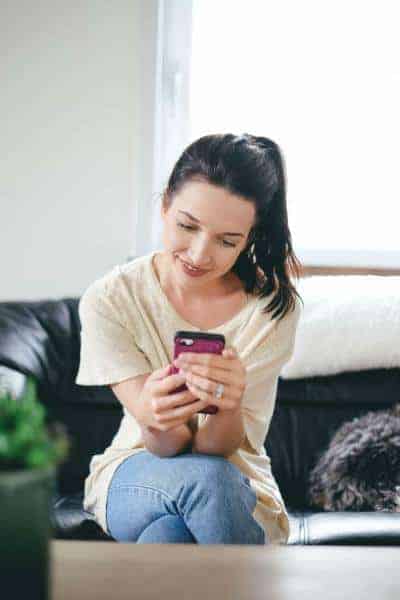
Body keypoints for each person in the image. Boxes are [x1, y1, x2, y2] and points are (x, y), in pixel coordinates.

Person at [75, 132, 304, 545]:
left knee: (169, 535)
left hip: (240, 482)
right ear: (165, 205)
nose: (199, 255)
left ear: (249, 238)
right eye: (187, 226)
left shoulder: (270, 309)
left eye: (227, 241)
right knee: (207, 483)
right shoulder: (111, 299)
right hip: (137, 472)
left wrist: (227, 407)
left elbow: (219, 449)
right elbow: (168, 446)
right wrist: (156, 411)